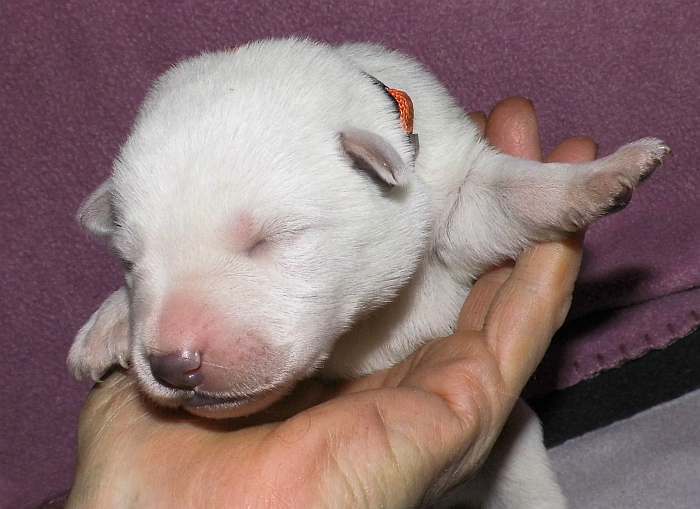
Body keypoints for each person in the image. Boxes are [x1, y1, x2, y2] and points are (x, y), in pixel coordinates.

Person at [66, 97, 596, 508]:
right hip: (315, 423)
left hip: (459, 417)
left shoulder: (381, 141)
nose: (176, 351)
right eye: (135, 265)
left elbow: (473, 203)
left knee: (515, 450)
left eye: (265, 243)